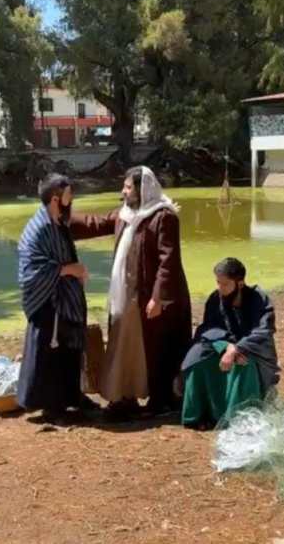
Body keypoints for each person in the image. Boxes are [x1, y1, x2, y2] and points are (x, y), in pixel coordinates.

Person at [72, 166, 192, 419]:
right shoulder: (125, 214)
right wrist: (62, 220)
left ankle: (161, 401)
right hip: (126, 295)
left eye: (128, 187)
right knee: (127, 345)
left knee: (156, 349)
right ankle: (125, 396)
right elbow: (97, 223)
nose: (123, 191)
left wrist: (158, 297)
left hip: (151, 297)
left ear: (142, 189)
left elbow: (168, 261)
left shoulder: (163, 217)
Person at [16, 174, 97, 421]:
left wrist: (74, 271)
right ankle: (52, 407)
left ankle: (72, 396)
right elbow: (32, 269)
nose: (71, 198)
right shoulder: (41, 227)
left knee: (69, 350)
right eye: (69, 194)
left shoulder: (56, 222)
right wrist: (70, 269)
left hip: (63, 298)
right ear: (55, 198)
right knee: (50, 355)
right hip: (48, 301)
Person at [181, 257, 280, 430]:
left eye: (225, 284)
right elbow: (208, 329)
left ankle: (236, 417)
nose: (220, 288)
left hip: (253, 350)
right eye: (218, 282)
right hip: (224, 346)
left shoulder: (259, 299)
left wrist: (238, 348)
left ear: (240, 283)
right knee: (197, 356)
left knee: (243, 363)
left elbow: (263, 332)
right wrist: (226, 347)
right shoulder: (215, 298)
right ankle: (201, 415)